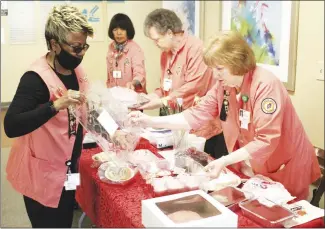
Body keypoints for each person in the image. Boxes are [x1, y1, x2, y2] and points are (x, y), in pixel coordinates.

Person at [129, 31, 321, 200]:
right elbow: (196, 115)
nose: (215, 74)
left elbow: (266, 140)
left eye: (219, 68)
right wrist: (149, 120)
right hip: (256, 166)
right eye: (213, 68)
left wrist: (224, 160)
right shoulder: (224, 85)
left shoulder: (265, 85)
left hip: (284, 166)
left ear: (236, 62)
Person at [4, 5, 93, 228]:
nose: (81, 54)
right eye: (75, 48)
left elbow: (84, 112)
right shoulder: (35, 79)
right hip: (43, 175)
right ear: (54, 45)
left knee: (65, 220)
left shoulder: (76, 71)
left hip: (69, 169)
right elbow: (11, 125)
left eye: (84, 47)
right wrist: (54, 106)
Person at [137, 8, 226, 158]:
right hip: (178, 120)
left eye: (157, 39)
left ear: (170, 33)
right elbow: (167, 86)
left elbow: (194, 87)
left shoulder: (196, 49)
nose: (155, 44)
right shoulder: (166, 54)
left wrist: (161, 102)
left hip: (201, 126)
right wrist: (152, 96)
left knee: (201, 168)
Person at [106, 13, 147, 93]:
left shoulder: (135, 49)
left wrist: (133, 83)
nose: (119, 33)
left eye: (122, 29)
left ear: (128, 30)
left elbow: (139, 73)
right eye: (115, 29)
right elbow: (109, 75)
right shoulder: (110, 47)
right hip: (115, 95)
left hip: (132, 95)